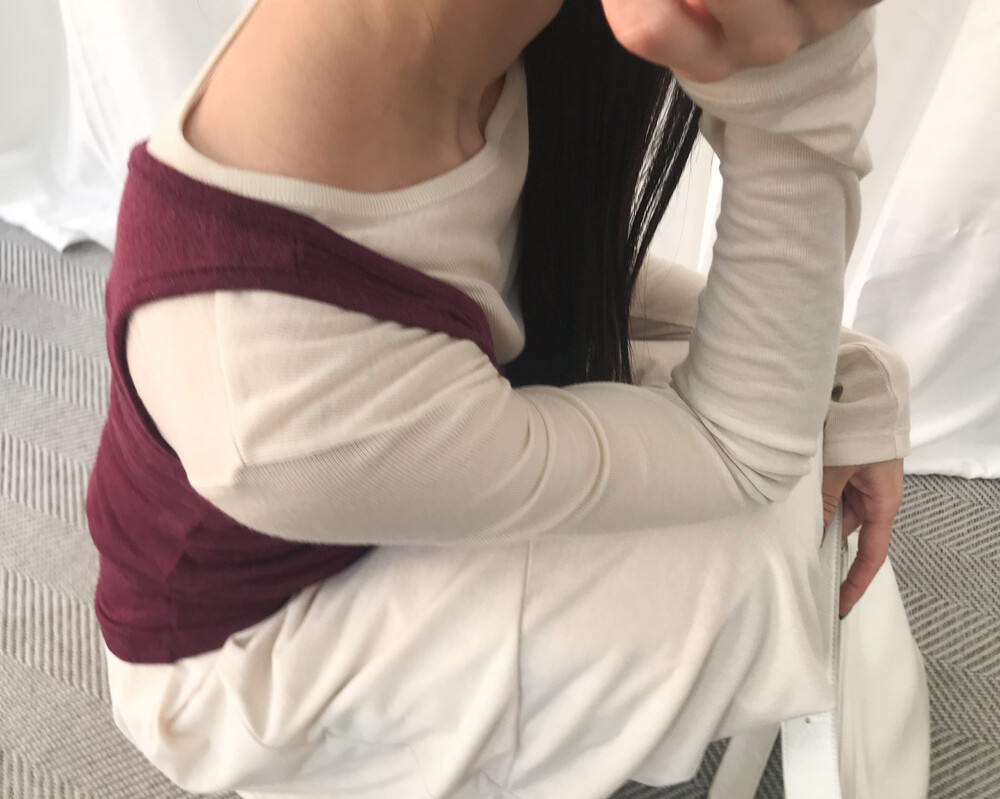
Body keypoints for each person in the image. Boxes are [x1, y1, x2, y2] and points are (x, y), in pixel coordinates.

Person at [86, 0, 910, 797]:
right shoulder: (268, 375)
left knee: (772, 455)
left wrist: (845, 372)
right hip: (235, 658)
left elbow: (524, 287)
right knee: (754, 545)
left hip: (356, 449)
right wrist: (799, 86)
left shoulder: (454, 41)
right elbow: (743, 451)